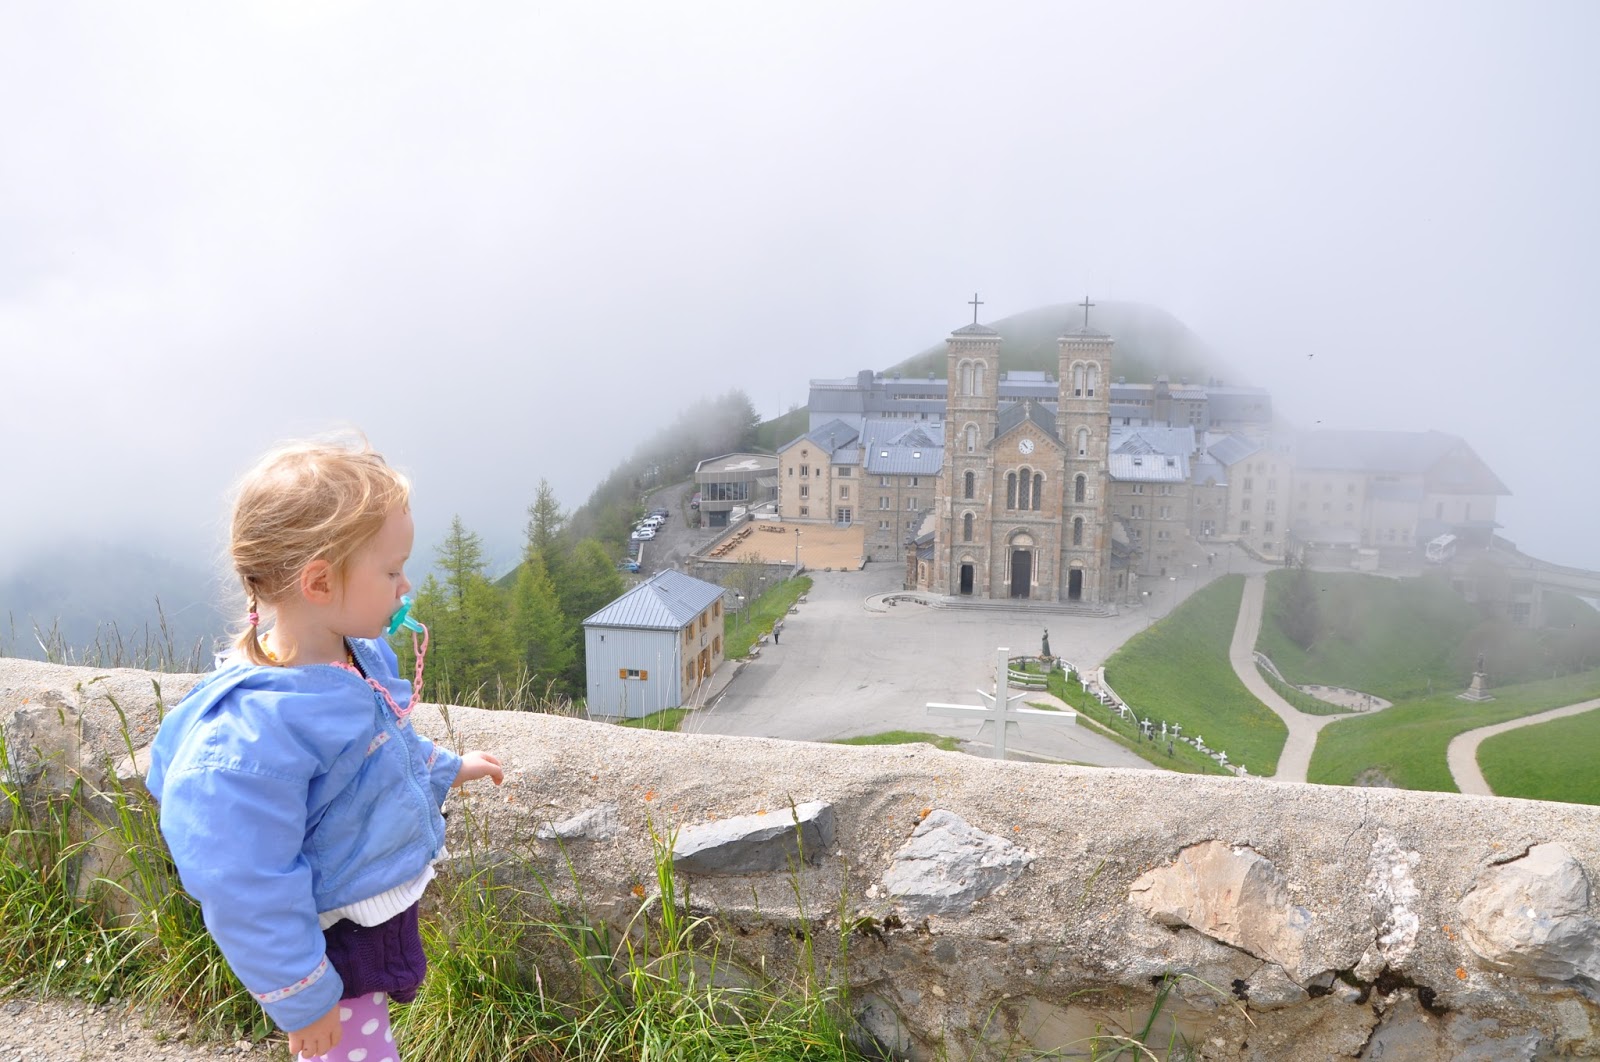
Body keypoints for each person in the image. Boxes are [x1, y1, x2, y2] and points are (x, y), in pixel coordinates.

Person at [147, 438, 503, 1061]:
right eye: (391, 572)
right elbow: (243, 881)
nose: (406, 585)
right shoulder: (251, 735)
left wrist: (446, 768)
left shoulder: (355, 654)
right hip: (325, 939)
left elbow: (380, 750)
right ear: (318, 581)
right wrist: (301, 994)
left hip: (359, 910)